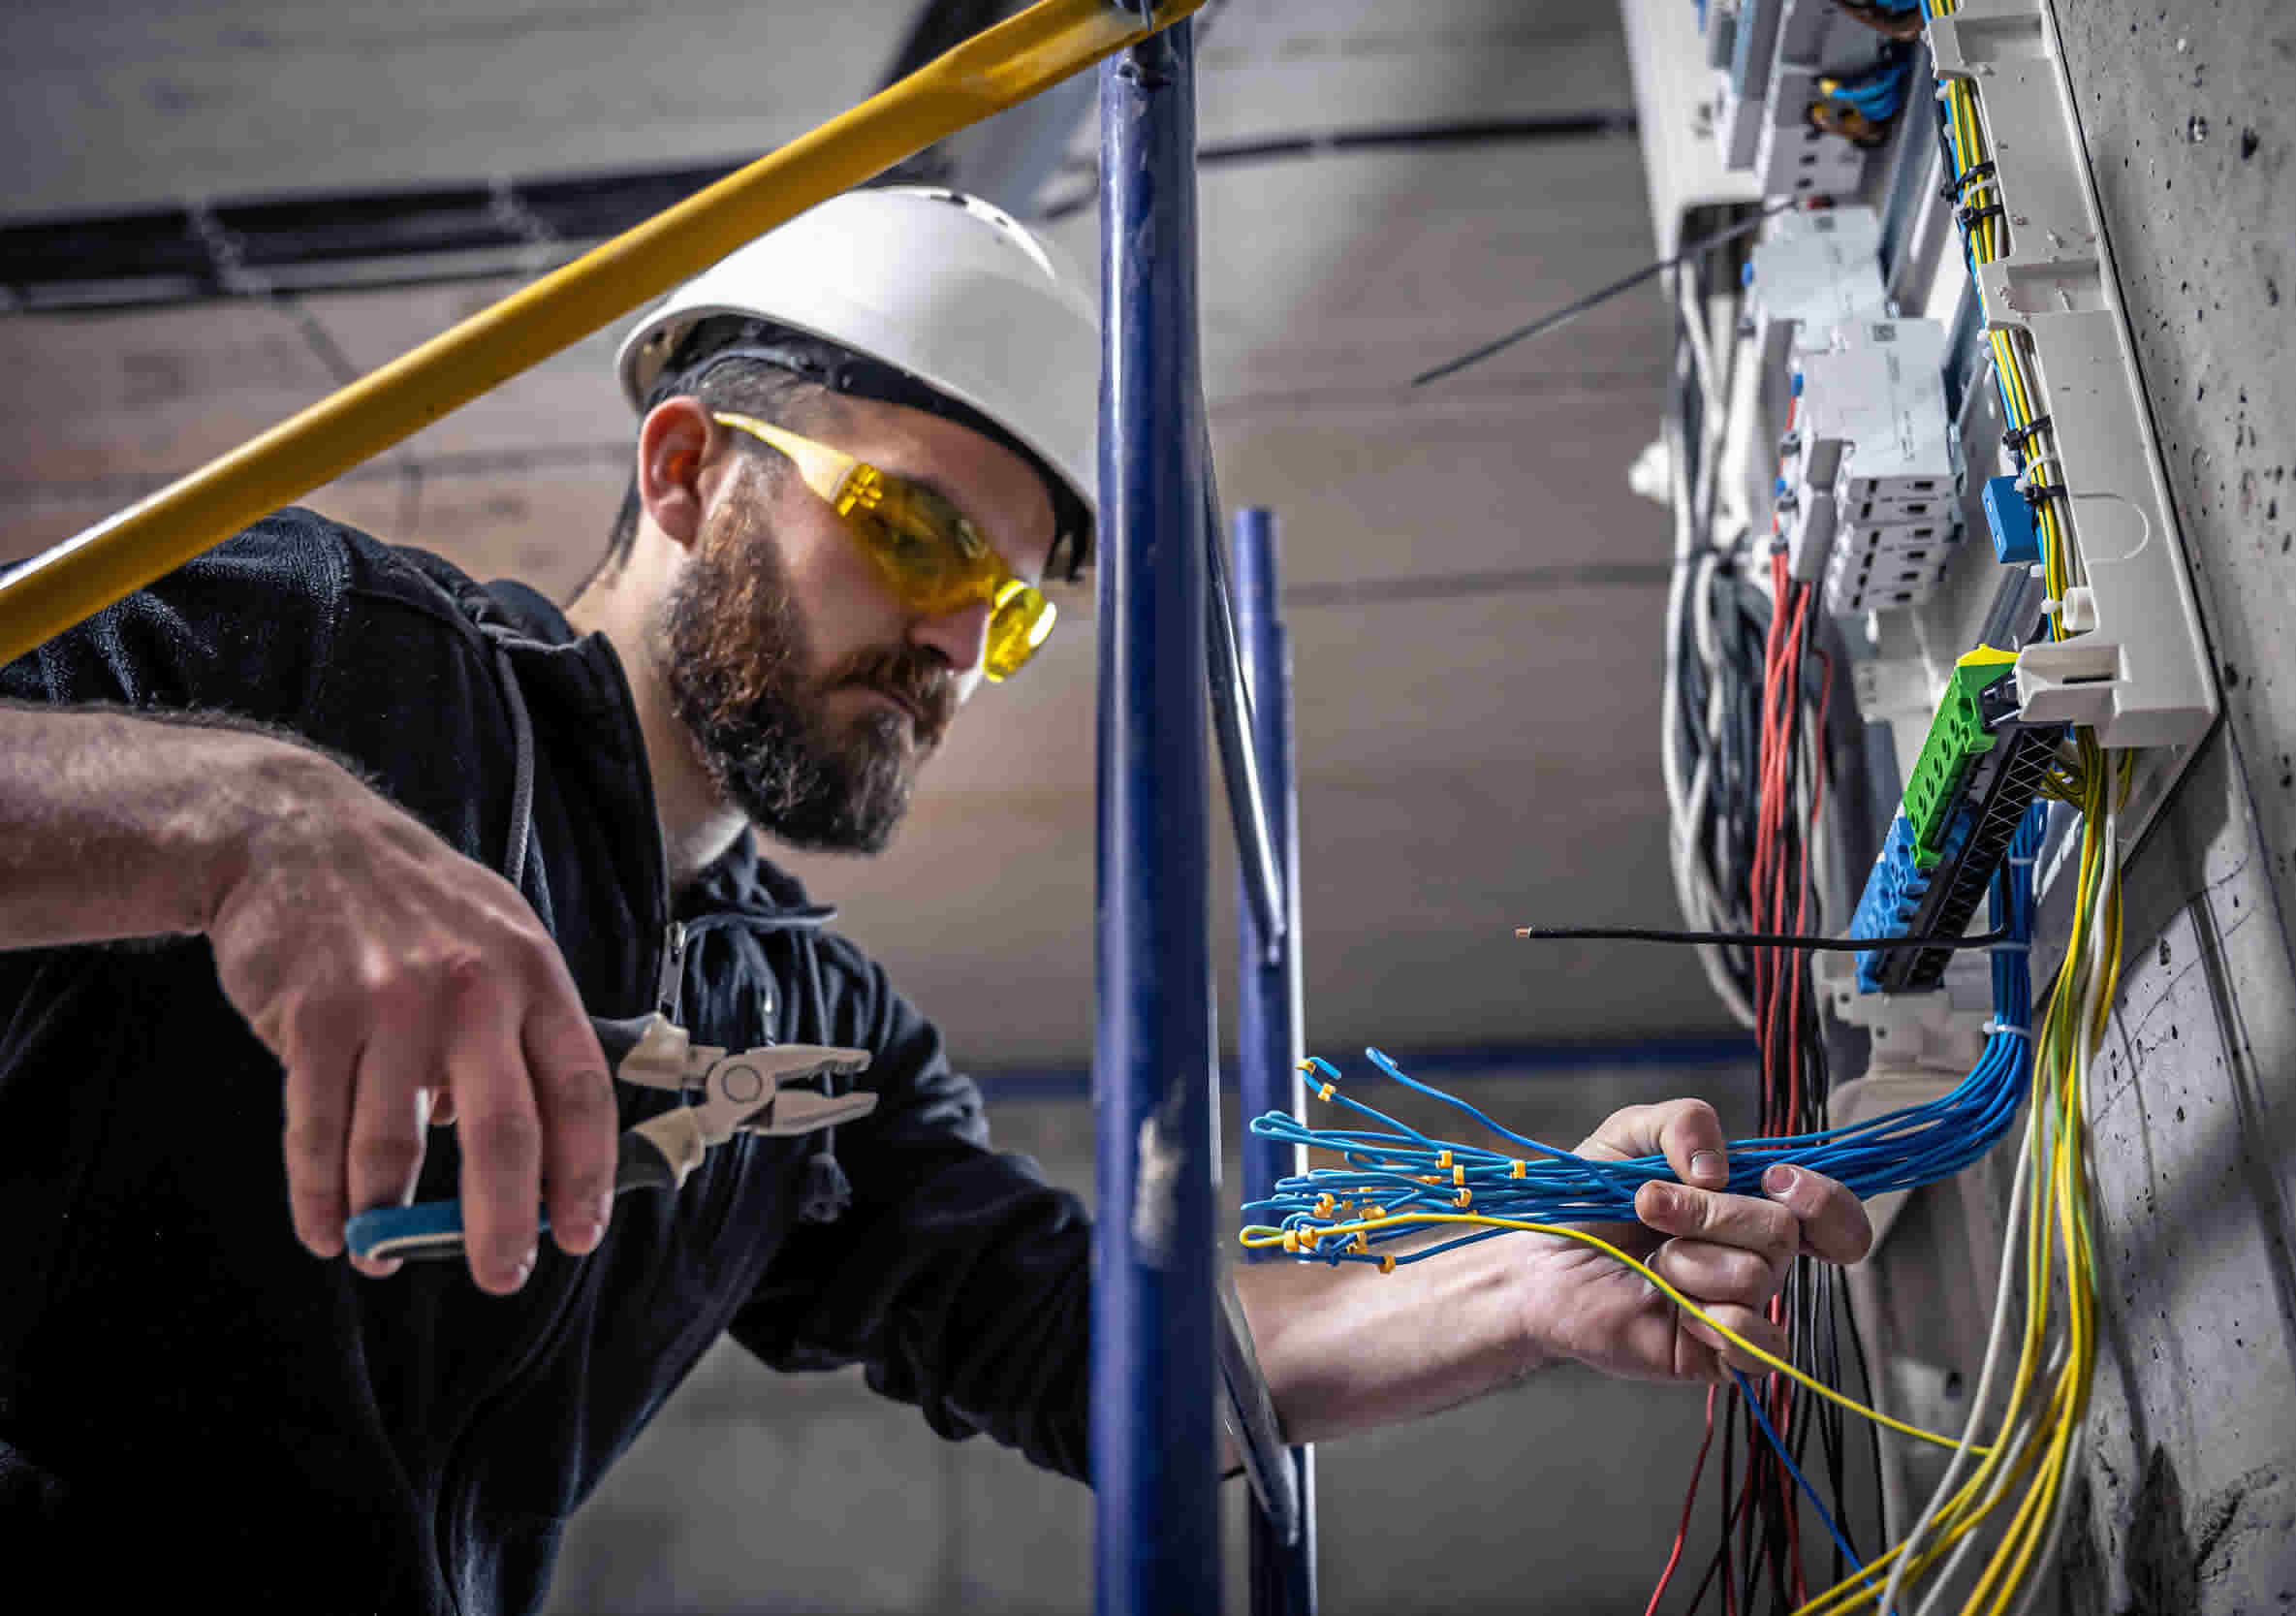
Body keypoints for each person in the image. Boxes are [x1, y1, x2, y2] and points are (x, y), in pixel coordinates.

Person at [0, 187, 1871, 1610]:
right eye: (914, 534)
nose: (958, 650)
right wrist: (240, 817)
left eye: (1017, 605)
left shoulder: (812, 1038)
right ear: (684, 474)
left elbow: (1094, 1349)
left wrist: (1524, 1290)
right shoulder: (342, 665)